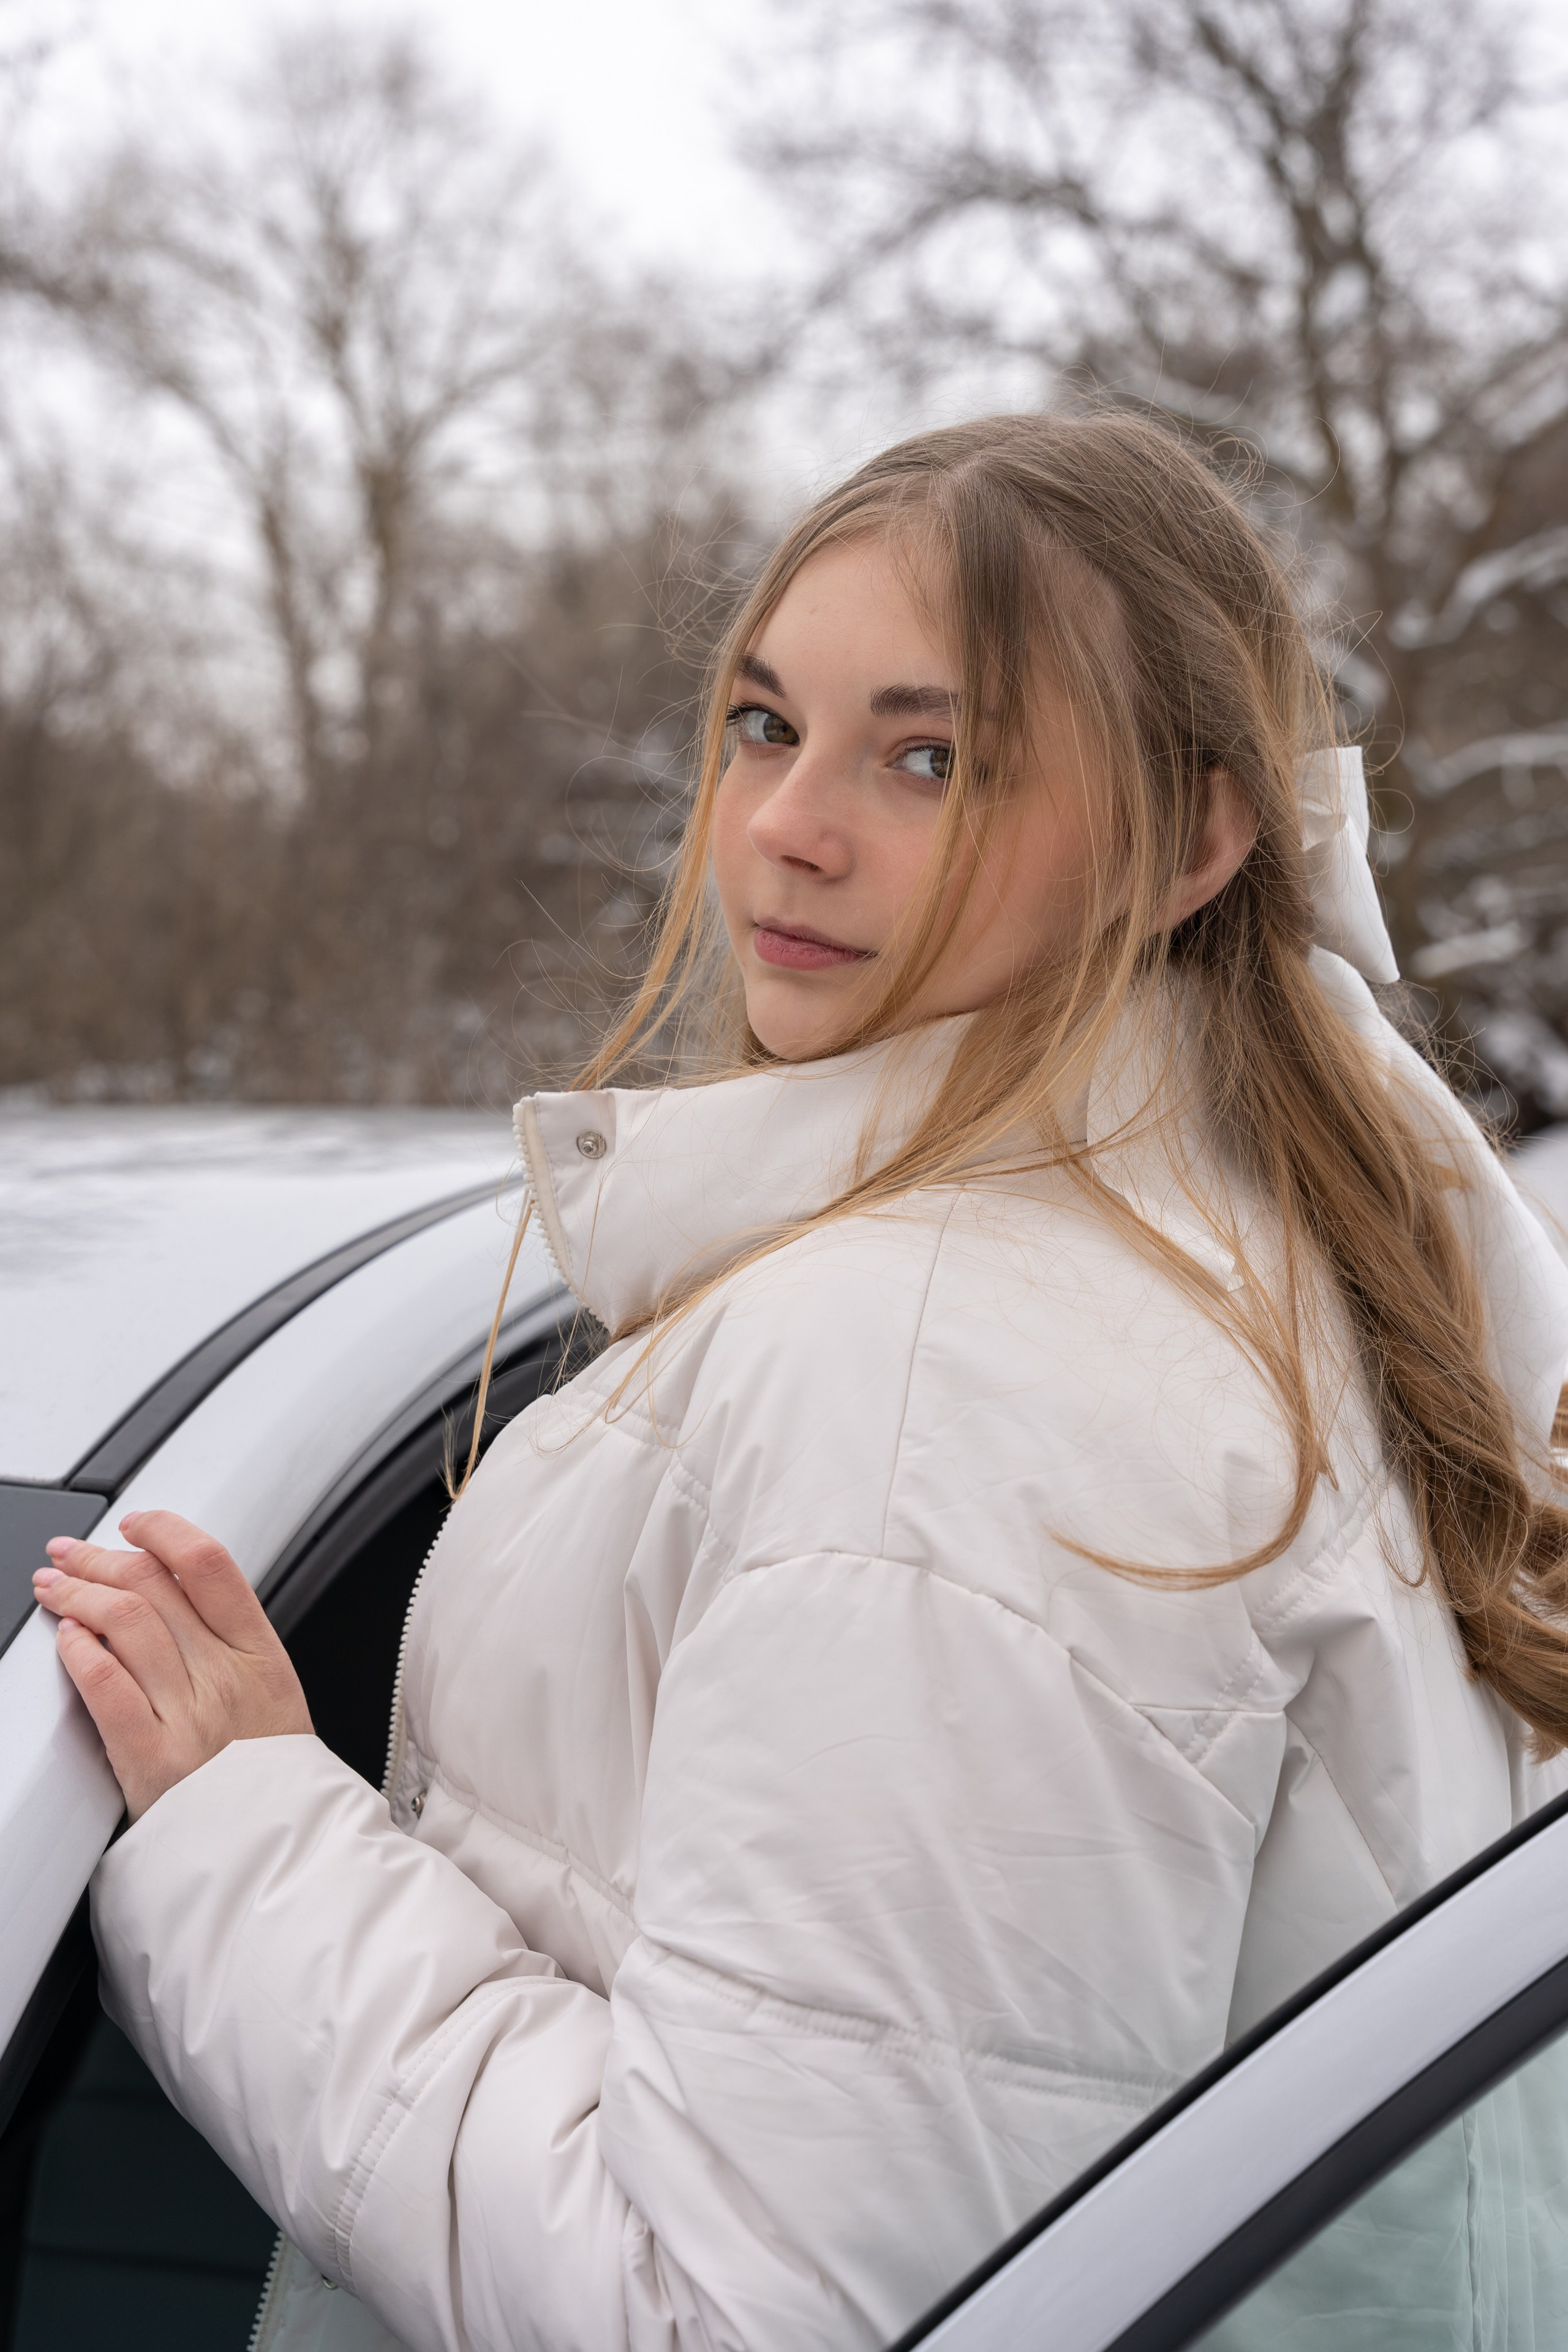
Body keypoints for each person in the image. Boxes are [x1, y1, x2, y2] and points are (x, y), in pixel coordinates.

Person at [32, 412, 1568, 2352]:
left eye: (930, 759)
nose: (789, 827)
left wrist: (248, 1840)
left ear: (1194, 839)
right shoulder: (1272, 1251)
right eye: (767, 726)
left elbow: (747, 2323)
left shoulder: (946, 1399)